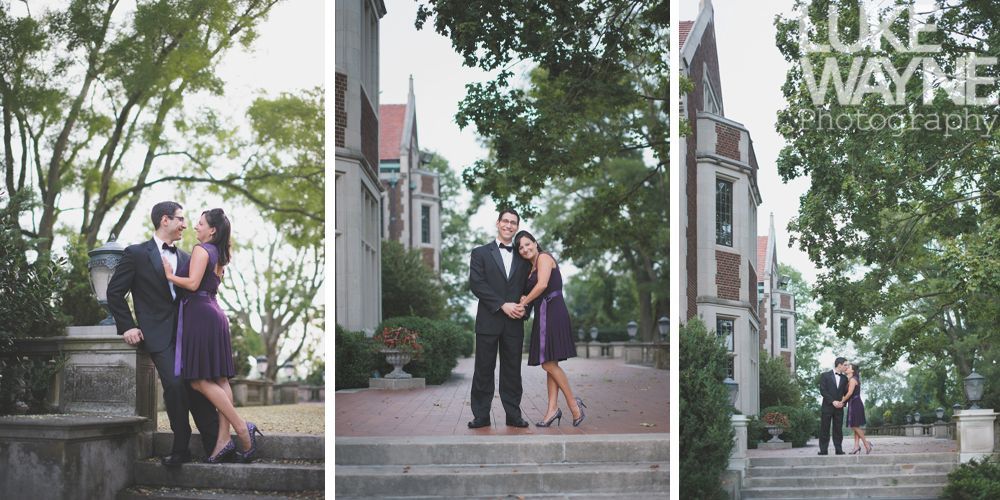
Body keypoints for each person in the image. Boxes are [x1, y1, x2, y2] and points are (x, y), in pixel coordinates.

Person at [107, 201, 219, 466]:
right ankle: (181, 448)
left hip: (187, 333)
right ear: (165, 220)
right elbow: (114, 292)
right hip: (156, 335)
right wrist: (128, 326)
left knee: (198, 385)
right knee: (175, 383)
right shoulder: (135, 253)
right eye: (180, 219)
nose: (185, 224)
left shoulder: (187, 258)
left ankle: (216, 445)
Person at [161, 208, 261, 463]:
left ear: (212, 229)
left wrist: (170, 276)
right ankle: (222, 440)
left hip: (200, 315)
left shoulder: (201, 249)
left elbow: (193, 284)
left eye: (201, 223)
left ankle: (241, 427)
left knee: (197, 380)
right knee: (220, 378)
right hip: (214, 312)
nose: (196, 226)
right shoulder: (219, 254)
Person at [467, 208, 531, 429]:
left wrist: (525, 307)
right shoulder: (480, 253)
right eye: (505, 221)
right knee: (483, 370)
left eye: (513, 222)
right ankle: (481, 416)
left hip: (514, 323)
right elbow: (477, 284)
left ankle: (513, 415)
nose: (509, 225)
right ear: (498, 223)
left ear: (516, 226)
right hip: (488, 320)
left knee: (512, 371)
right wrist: (502, 305)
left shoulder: (524, 257)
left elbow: (529, 288)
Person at [514, 231, 586, 427]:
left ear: (536, 243)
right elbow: (531, 291)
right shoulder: (529, 268)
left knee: (547, 364)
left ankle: (573, 404)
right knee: (550, 363)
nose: (525, 249)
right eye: (520, 247)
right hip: (543, 313)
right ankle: (552, 409)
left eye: (528, 244)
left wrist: (523, 303)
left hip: (553, 311)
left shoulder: (544, 258)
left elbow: (542, 285)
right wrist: (524, 298)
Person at [818, 357, 850, 455]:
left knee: (838, 429)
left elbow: (846, 393)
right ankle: (823, 450)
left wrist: (843, 402)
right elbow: (823, 391)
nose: (847, 367)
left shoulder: (845, 378)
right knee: (824, 428)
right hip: (827, 406)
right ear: (839, 365)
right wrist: (833, 401)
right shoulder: (825, 375)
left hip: (839, 408)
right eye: (845, 365)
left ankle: (838, 449)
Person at [841, 363, 873, 454]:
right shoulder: (850, 379)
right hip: (854, 403)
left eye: (849, 367)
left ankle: (866, 444)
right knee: (855, 426)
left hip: (855, 403)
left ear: (853, 370)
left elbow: (850, 393)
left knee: (854, 425)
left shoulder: (853, 380)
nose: (846, 368)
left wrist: (842, 401)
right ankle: (856, 446)